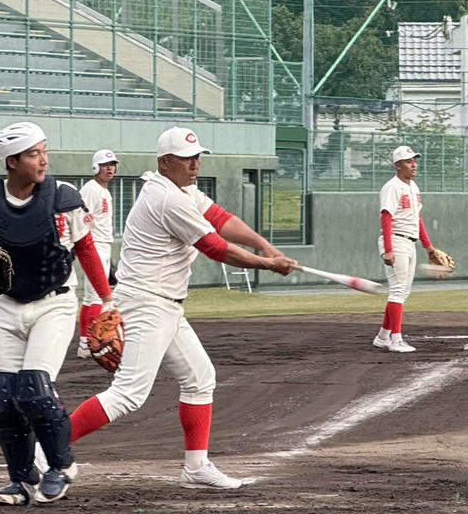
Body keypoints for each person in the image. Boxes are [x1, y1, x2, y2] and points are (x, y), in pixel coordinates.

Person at [63, 126, 297, 489]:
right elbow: (215, 247)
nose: (195, 164)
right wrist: (268, 265)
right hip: (146, 303)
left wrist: (266, 247)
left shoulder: (183, 190)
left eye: (197, 157)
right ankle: (47, 449)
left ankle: (196, 467)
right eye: (187, 159)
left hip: (165, 304)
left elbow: (221, 219)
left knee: (200, 379)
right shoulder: (165, 198)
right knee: (128, 394)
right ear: (165, 162)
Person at [0, 121, 114, 506]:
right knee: (1, 399)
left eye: (44, 150)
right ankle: (22, 480)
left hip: (55, 303)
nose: (43, 160)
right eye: (34, 154)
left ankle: (61, 467)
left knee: (35, 390)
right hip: (9, 305)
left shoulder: (62, 197)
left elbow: (85, 250)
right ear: (11, 161)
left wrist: (107, 300)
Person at [373, 145, 445, 353]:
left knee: (403, 292)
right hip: (395, 240)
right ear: (398, 165)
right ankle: (396, 340)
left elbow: (417, 218)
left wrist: (428, 246)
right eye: (408, 161)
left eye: (414, 160)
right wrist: (388, 249)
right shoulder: (392, 187)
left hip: (410, 241)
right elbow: (386, 217)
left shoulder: (413, 186)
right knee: (397, 290)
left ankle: (383, 337)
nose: (413, 164)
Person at [75, 148, 119, 359]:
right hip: (95, 244)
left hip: (104, 245)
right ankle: (87, 342)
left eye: (112, 165)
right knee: (95, 296)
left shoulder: (104, 190)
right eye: (105, 165)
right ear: (95, 167)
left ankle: (86, 341)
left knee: (92, 297)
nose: (109, 168)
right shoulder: (91, 189)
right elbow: (82, 216)